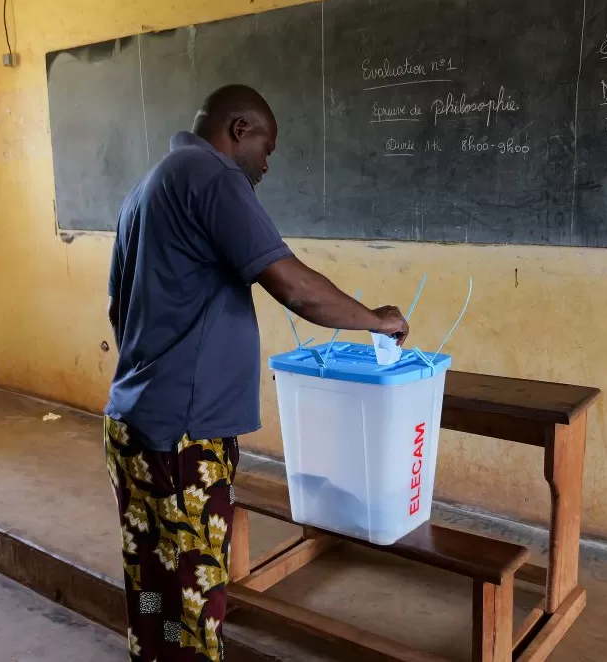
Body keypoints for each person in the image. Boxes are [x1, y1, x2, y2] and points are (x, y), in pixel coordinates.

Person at [104, 84, 408, 662]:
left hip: (132, 424)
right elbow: (291, 284)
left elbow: (119, 310)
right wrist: (376, 319)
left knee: (151, 582)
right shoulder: (213, 177)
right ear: (239, 129)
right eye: (268, 147)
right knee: (196, 598)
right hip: (184, 440)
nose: (267, 164)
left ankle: (153, 654)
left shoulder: (143, 191)